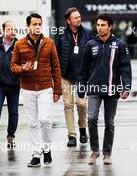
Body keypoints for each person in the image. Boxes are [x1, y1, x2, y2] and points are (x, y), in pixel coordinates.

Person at [77, 14, 132, 165]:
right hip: (94, 88)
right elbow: (83, 69)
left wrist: (126, 87)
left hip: (112, 89)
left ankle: (107, 154)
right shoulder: (90, 44)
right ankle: (95, 151)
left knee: (109, 122)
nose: (100, 28)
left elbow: (125, 68)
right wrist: (81, 87)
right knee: (92, 118)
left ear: (110, 27)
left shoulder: (119, 45)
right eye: (98, 25)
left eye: (103, 25)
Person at [11, 13, 62, 167]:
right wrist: (22, 68)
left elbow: (56, 67)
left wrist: (57, 90)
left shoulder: (49, 42)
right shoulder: (19, 44)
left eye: (39, 24)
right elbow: (13, 66)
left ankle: (47, 149)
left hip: (45, 87)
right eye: (34, 24)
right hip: (27, 89)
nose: (37, 26)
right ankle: (36, 154)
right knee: (32, 123)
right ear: (28, 26)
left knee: (44, 120)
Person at [56, 7, 91, 147]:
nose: (79, 19)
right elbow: (56, 57)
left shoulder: (87, 34)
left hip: (82, 76)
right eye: (76, 17)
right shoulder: (61, 36)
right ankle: (72, 136)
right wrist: (56, 77)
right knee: (68, 105)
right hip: (66, 76)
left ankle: (83, 129)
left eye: (79, 17)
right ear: (68, 21)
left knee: (82, 104)